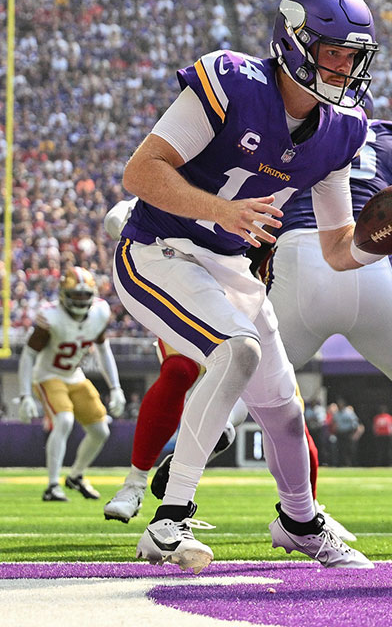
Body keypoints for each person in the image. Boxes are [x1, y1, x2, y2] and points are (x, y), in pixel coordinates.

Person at [112, 0, 383, 573]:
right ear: (294, 42)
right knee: (235, 352)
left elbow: (338, 247)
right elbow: (140, 171)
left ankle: (299, 521)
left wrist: (383, 245)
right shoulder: (233, 81)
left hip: (231, 267)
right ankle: (169, 519)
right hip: (159, 250)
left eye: (351, 56)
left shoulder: (343, 129)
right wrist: (220, 210)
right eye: (331, 51)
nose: (341, 67)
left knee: (283, 409)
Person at [265, 116, 392, 552]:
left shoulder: (288, 133)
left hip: (298, 260)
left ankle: (182, 492)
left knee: (244, 380)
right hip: (371, 263)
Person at [100, 202, 353, 548]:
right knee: (178, 371)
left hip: (246, 296)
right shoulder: (214, 160)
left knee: (281, 402)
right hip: (187, 283)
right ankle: (135, 483)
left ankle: (306, 511)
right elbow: (139, 199)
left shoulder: (294, 182)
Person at [16, 266, 126, 501]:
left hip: (75, 375)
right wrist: (25, 394)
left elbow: (103, 351)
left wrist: (115, 387)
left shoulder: (99, 313)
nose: (80, 300)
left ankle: (76, 476)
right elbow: (28, 355)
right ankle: (52, 485)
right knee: (64, 420)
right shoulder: (51, 316)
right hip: (47, 375)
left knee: (100, 430)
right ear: (64, 295)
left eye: (85, 295)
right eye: (76, 294)